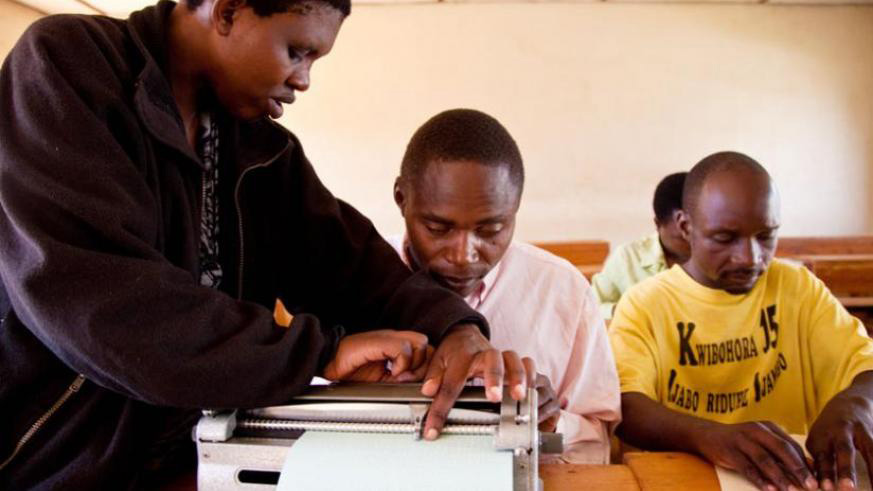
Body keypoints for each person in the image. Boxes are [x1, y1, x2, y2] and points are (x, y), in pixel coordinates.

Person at [0, 2, 531, 488]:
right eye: (296, 51)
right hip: (46, 463)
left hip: (180, 460)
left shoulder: (259, 150)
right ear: (226, 11)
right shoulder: (68, 67)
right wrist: (321, 352)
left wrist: (454, 327)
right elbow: (104, 303)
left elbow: (352, 263)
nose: (302, 79)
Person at [609, 151, 873, 491]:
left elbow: (864, 367)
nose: (750, 258)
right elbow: (628, 407)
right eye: (725, 238)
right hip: (687, 478)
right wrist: (708, 435)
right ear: (686, 228)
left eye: (766, 236)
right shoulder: (646, 303)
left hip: (792, 477)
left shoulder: (797, 288)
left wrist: (854, 405)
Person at [389, 109, 621, 464]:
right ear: (402, 199)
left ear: (514, 210)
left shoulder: (563, 292)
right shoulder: (347, 279)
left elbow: (597, 439)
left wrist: (548, 422)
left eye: (489, 230)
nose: (463, 255)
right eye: (437, 228)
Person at [592, 171, 690, 321]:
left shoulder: (720, 257)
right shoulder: (628, 258)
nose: (694, 243)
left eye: (702, 234)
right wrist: (620, 310)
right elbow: (590, 308)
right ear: (657, 225)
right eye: (682, 237)